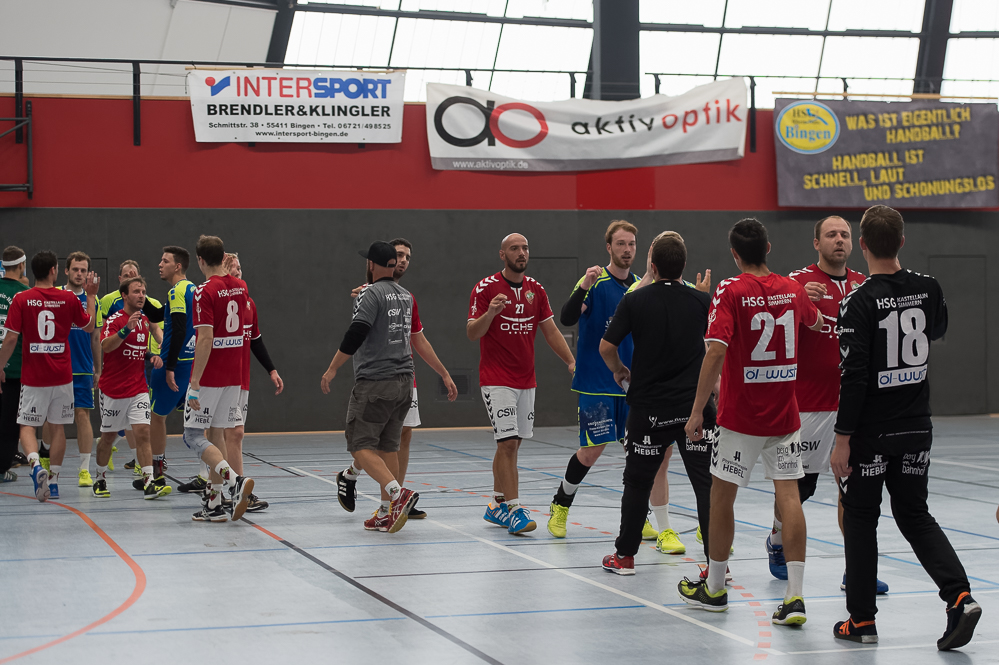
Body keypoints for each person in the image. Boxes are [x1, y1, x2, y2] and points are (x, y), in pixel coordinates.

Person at [831, 205, 982, 649]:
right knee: (914, 514)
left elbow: (853, 376)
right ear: (901, 241)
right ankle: (959, 597)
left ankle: (861, 621)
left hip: (872, 432)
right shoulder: (928, 288)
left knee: (861, 516)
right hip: (916, 426)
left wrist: (842, 439)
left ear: (861, 244)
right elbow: (936, 329)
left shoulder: (856, 301)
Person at [679, 219, 822, 626]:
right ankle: (795, 597)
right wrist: (806, 297)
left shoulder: (730, 290)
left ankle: (715, 589)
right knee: (789, 498)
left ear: (735, 254)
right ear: (768, 248)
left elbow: (715, 351)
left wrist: (697, 410)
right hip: (785, 417)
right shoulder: (792, 288)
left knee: (722, 499)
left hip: (741, 418)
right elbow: (814, 322)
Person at [764, 217, 889, 594]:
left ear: (855, 243)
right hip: (807, 407)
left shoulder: (864, 285)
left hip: (853, 406)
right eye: (831, 235)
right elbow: (769, 328)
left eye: (845, 235)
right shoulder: (796, 283)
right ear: (816, 242)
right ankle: (777, 538)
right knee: (798, 491)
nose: (839, 240)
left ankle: (857, 571)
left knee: (854, 491)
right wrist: (798, 302)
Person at [598, 232, 717, 575]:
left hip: (649, 410)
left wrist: (620, 370)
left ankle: (625, 557)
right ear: (684, 265)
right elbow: (715, 346)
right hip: (694, 410)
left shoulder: (635, 300)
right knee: (706, 484)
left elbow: (606, 347)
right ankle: (716, 565)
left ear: (652, 265)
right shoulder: (701, 301)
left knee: (637, 483)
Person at [337, 238, 458, 519]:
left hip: (403, 378)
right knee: (373, 441)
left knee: (399, 437)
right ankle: (392, 496)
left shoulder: (406, 297)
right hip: (378, 377)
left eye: (408, 257)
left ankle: (390, 500)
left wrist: (443, 372)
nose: (403, 260)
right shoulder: (369, 293)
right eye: (399, 255)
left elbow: (419, 340)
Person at [467, 233, 575, 535]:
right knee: (507, 442)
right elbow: (472, 332)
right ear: (503, 254)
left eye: (525, 248)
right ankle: (514, 509)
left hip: (526, 380)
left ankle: (496, 504)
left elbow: (550, 330)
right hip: (496, 379)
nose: (521, 252)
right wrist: (491, 313)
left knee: (511, 444)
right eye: (514, 248)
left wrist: (571, 361)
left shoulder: (535, 290)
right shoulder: (485, 288)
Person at [549, 220, 642, 538]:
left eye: (631, 244)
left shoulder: (640, 285)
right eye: (621, 244)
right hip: (596, 383)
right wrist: (583, 287)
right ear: (609, 247)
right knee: (591, 452)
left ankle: (640, 515)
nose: (627, 249)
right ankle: (561, 504)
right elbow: (567, 318)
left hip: (631, 387)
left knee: (639, 453)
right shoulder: (595, 281)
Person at [321, 241, 419, 533]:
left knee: (360, 445)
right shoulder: (406, 296)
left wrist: (332, 368)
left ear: (371, 265)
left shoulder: (370, 294)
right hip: (405, 382)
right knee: (388, 447)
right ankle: (387, 512)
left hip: (376, 381)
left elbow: (357, 332)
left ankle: (398, 494)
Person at [0, 251, 99, 501]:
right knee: (58, 429)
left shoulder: (22, 298)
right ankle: (53, 482)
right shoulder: (68, 298)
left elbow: (10, 339)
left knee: (26, 426)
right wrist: (90, 296)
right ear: (55, 270)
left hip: (34, 376)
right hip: (63, 376)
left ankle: (35, 466)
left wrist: (0, 366)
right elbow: (89, 326)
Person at [184, 235, 254, 522]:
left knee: (192, 436)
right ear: (224, 257)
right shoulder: (241, 286)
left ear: (200, 260)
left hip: (211, 376)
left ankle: (234, 481)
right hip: (234, 375)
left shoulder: (203, 291)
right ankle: (214, 503)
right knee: (216, 433)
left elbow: (205, 338)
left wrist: (195, 382)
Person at [92, 277, 170, 499]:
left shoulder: (145, 320)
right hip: (113, 390)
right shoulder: (115, 320)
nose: (141, 295)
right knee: (108, 438)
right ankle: (99, 478)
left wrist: (151, 356)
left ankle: (148, 482)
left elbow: (137, 349)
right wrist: (126, 330)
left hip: (138, 388)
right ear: (124, 295)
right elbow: (106, 346)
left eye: (143, 291)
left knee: (143, 433)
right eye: (136, 291)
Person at [224, 253, 283, 512]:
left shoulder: (249, 304)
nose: (238, 272)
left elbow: (255, 339)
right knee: (233, 433)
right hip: (221, 380)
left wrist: (271, 370)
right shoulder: (217, 300)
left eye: (239, 268)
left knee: (232, 436)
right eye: (232, 268)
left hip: (242, 380)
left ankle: (225, 489)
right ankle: (235, 491)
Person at [46, 253, 101, 488]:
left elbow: (95, 336)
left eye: (83, 270)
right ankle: (47, 459)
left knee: (82, 415)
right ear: (66, 270)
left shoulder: (93, 300)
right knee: (51, 418)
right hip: (55, 367)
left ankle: (84, 470)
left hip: (82, 369)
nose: (79, 274)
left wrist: (98, 368)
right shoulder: (55, 295)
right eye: (76, 269)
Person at [149, 246, 199, 493]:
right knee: (199, 423)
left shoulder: (176, 291)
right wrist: (139, 301)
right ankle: (208, 475)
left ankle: (157, 474)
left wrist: (168, 367)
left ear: (177, 266)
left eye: (165, 260)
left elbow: (178, 329)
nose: (160, 264)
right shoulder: (194, 290)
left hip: (173, 364)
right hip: (191, 365)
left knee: (157, 418)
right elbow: (161, 314)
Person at [0, 247, 29, 483]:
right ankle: (2, 469)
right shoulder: (25, 295)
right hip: (12, 369)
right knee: (9, 423)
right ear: (21, 265)